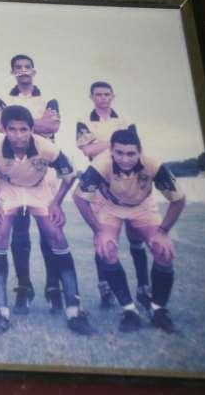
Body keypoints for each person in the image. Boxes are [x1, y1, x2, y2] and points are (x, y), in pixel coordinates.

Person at [0, 105, 94, 335]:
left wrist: (57, 202)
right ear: (4, 129)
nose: (18, 135)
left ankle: (74, 311)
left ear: (31, 129)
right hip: (7, 188)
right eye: (12, 129)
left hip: (38, 188)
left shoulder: (46, 147)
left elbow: (69, 175)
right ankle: (1, 313)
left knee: (56, 235)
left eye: (23, 129)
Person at [73, 126, 185, 333]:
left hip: (142, 207)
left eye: (131, 153)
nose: (125, 159)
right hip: (110, 207)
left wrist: (163, 232)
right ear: (111, 151)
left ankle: (158, 311)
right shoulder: (100, 164)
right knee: (106, 249)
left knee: (163, 251)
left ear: (140, 151)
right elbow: (79, 198)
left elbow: (178, 200)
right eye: (119, 153)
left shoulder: (153, 164)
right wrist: (99, 231)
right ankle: (129, 311)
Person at [0, 54, 62, 314]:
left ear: (34, 70)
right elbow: (0, 126)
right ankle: (24, 286)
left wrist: (20, 125)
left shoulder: (49, 99)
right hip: (14, 167)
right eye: (18, 67)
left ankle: (53, 286)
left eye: (27, 67)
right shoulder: (3, 97)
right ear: (12, 72)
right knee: (19, 231)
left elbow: (53, 125)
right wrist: (37, 123)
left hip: (43, 167)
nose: (23, 70)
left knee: (49, 230)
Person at [76, 81, 151, 309]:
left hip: (128, 181)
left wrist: (102, 144)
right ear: (91, 97)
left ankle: (143, 288)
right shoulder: (84, 121)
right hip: (100, 181)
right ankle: (105, 289)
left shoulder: (125, 120)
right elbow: (87, 150)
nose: (103, 98)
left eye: (107, 94)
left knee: (135, 235)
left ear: (113, 96)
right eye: (98, 94)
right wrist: (117, 142)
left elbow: (135, 149)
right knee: (102, 237)